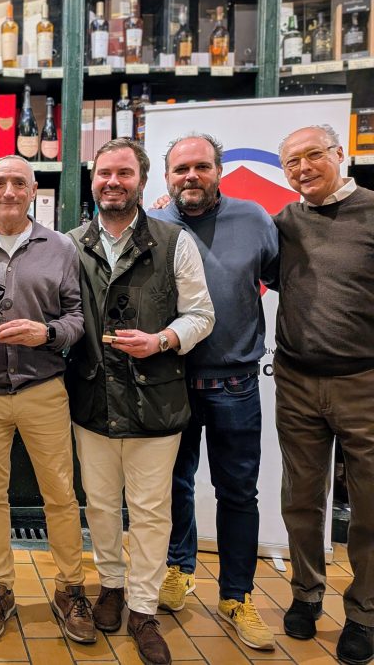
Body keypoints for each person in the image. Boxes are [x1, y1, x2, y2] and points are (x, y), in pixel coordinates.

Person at [65, 138, 214, 665]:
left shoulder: (175, 242)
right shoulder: (69, 244)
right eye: (104, 173)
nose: (113, 182)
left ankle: (144, 609)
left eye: (124, 173)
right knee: (101, 505)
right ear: (92, 181)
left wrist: (162, 340)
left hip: (156, 400)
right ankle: (111, 586)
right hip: (92, 398)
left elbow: (201, 314)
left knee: (151, 512)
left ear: (142, 181)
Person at [0, 155, 96, 645]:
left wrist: (46, 333)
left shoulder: (60, 247)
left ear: (33, 191)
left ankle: (70, 588)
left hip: (43, 390)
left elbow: (77, 319)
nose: (9, 191)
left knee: (61, 494)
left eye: (18, 183)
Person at [147, 134, 279, 651]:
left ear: (219, 170)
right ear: (166, 177)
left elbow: (284, 278)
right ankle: (179, 569)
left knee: (238, 493)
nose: (191, 176)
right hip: (171, 381)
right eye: (181, 169)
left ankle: (236, 596)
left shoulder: (255, 219)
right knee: (174, 486)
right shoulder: (153, 225)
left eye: (201, 166)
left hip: (235, 383)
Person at [274, 124, 374, 665]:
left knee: (369, 505)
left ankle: (364, 614)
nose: (303, 168)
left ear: (340, 153)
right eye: (291, 162)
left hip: (364, 381)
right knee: (302, 499)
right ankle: (306, 595)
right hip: (295, 379)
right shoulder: (285, 222)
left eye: (313, 155)